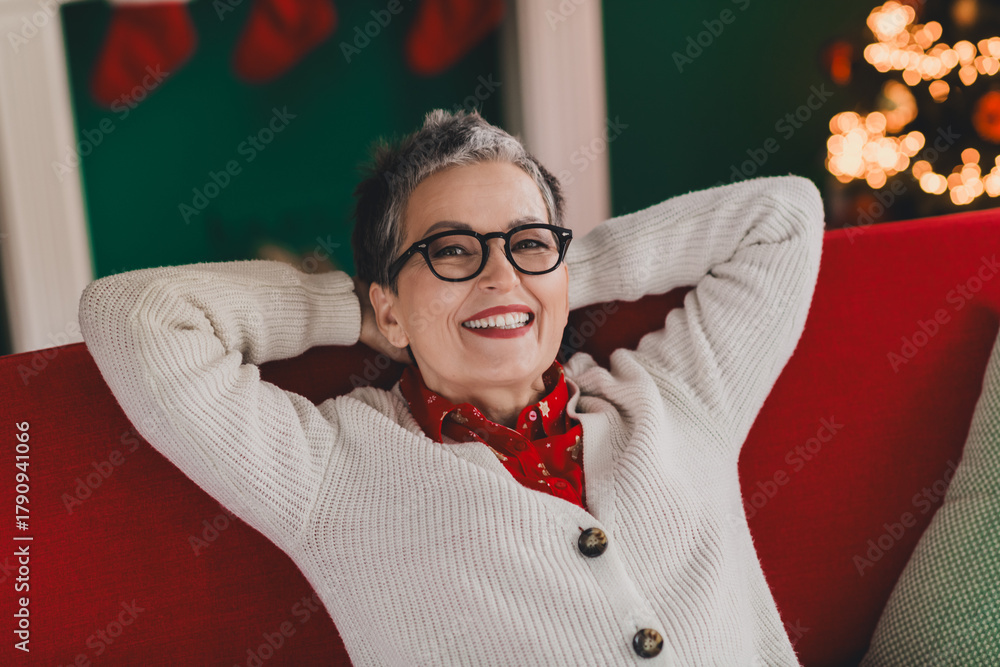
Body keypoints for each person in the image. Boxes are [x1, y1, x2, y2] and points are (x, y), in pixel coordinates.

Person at [79, 108, 825, 665]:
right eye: (452, 251)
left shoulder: (675, 396)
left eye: (528, 241)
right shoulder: (331, 475)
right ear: (390, 308)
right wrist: (353, 308)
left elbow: (785, 215)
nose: (499, 271)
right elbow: (135, 317)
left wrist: (547, 282)